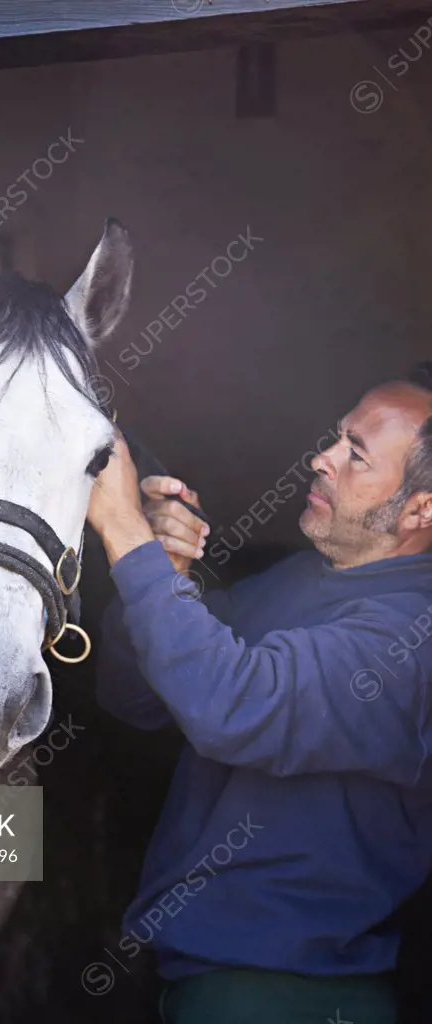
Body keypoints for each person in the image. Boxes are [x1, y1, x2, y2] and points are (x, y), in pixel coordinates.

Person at [86, 377, 432, 1024]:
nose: (321, 458)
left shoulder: (410, 641)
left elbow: (232, 706)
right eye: (336, 436)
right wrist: (167, 569)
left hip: (290, 996)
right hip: (198, 980)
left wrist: (125, 535)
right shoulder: (300, 581)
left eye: (355, 453)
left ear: (421, 511)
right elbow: (138, 697)